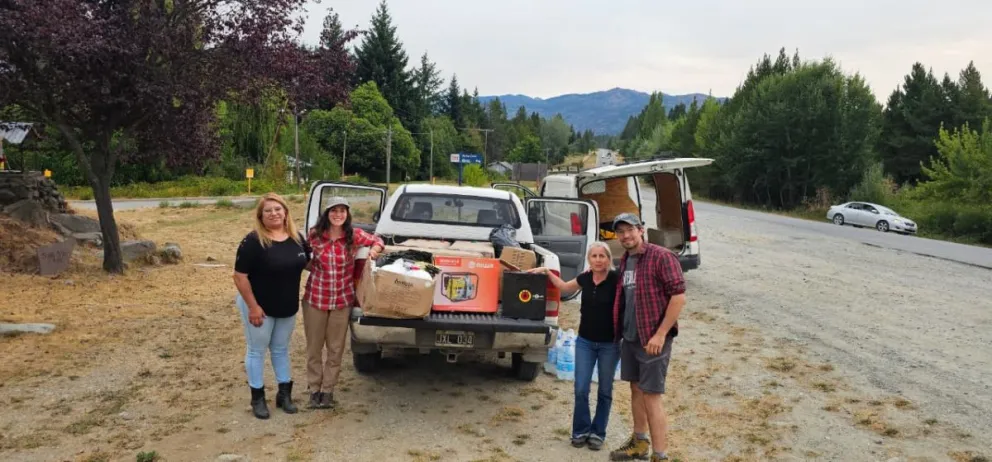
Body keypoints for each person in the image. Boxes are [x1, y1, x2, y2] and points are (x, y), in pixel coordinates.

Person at [607, 213, 686, 462]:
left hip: (653, 339)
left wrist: (660, 334)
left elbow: (678, 297)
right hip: (631, 337)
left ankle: (660, 456)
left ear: (641, 230)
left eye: (630, 230)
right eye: (620, 232)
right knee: (636, 389)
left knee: (652, 395)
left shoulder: (661, 257)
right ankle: (639, 443)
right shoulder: (626, 259)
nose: (625, 236)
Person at [529, 242, 620, 452]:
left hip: (609, 344)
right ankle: (580, 431)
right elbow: (563, 287)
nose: (598, 260)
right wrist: (546, 271)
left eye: (602, 256)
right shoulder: (585, 278)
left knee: (605, 390)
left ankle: (598, 433)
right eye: (594, 256)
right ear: (589, 259)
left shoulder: (617, 279)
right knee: (580, 389)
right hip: (585, 342)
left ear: (609, 259)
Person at [233, 192, 311, 420]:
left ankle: (284, 395)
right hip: (259, 307)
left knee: (280, 349)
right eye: (268, 211)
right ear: (261, 216)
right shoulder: (253, 241)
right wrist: (253, 307)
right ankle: (257, 398)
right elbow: (239, 276)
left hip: (287, 305)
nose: (274, 213)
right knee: (256, 350)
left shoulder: (297, 238)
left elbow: (308, 263)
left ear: (286, 212)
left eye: (278, 209)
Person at [303, 196, 385, 409]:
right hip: (315, 299)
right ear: (327, 213)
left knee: (335, 348)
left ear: (347, 214)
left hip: (342, 300)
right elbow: (302, 256)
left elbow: (378, 240)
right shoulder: (314, 235)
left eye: (342, 210)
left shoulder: (354, 235)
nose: (338, 214)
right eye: (334, 210)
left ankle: (328, 391)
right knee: (314, 348)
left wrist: (374, 251)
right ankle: (314, 390)